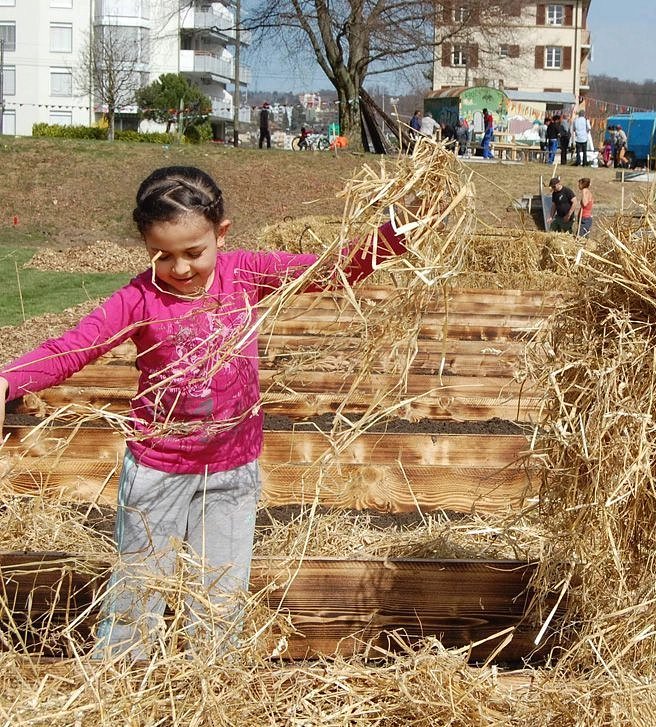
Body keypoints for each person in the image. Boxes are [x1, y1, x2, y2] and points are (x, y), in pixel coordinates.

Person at [0, 166, 409, 659]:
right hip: (157, 471)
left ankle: (212, 673)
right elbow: (71, 349)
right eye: (162, 255)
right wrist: (7, 382)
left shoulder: (246, 273)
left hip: (233, 470)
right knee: (138, 590)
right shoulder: (138, 299)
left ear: (221, 233)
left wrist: (397, 232)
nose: (179, 268)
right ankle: (121, 671)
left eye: (194, 252)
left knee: (220, 594)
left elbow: (331, 269)